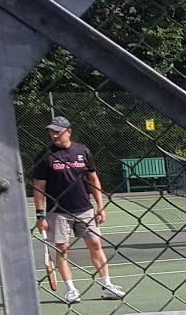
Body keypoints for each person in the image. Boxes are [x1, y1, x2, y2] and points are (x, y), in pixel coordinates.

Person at [32, 117, 125, 304]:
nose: (54, 134)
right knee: (62, 248)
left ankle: (107, 286)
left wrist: (100, 206)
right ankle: (71, 290)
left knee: (96, 245)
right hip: (58, 212)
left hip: (85, 209)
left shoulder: (83, 151)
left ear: (69, 131)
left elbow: (93, 179)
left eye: (58, 131)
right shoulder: (45, 156)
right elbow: (38, 187)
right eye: (51, 131)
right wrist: (40, 215)